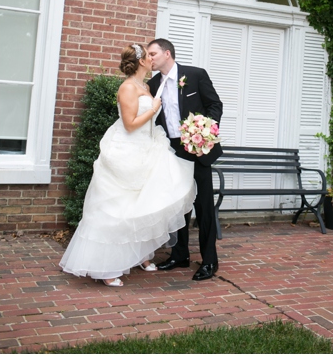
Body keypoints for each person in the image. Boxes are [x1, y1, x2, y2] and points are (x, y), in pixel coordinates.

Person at [59, 43, 196, 287]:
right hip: (127, 150)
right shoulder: (127, 87)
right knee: (117, 209)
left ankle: (140, 254)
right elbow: (130, 124)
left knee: (140, 204)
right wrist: (154, 107)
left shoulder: (145, 85)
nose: (153, 58)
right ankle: (106, 267)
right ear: (142, 61)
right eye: (149, 55)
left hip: (147, 147)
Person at [146, 38, 224, 281]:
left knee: (203, 207)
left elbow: (215, 105)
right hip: (171, 151)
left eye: (153, 54)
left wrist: (205, 130)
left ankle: (210, 261)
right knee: (177, 205)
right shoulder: (153, 83)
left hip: (198, 149)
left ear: (167, 54)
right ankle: (180, 255)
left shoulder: (195, 74)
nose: (149, 59)